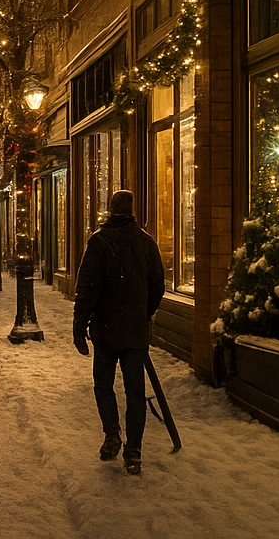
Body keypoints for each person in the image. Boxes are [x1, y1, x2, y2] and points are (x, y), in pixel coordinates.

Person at [73, 189, 165, 476]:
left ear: (110, 210)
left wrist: (80, 325)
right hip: (134, 332)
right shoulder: (146, 243)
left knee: (104, 385)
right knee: (135, 391)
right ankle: (134, 448)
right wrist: (143, 313)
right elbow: (158, 286)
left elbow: (87, 288)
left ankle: (112, 434)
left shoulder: (100, 242)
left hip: (106, 329)